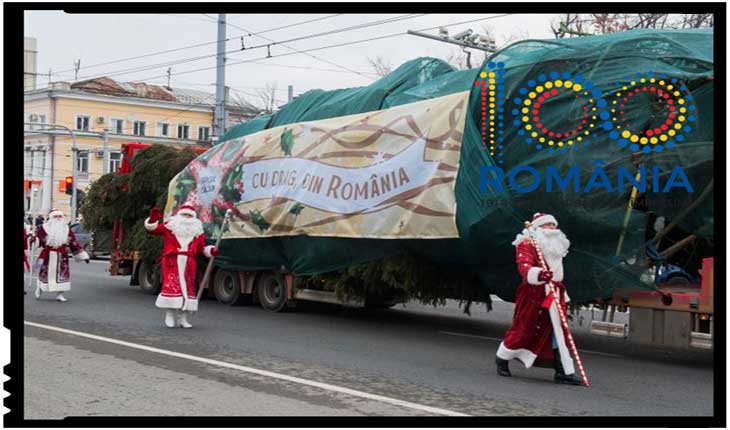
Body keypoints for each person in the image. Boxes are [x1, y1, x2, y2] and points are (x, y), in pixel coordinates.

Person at [495, 212, 583, 386]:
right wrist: (540, 274)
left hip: (554, 293)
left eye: (553, 225)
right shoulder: (527, 243)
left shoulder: (556, 246)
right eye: (547, 225)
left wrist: (552, 280)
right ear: (537, 227)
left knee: (558, 333)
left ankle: (562, 371)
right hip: (534, 294)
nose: (552, 228)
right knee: (525, 329)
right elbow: (524, 266)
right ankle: (502, 358)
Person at [144, 203, 218, 328]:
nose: (187, 218)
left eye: (190, 216)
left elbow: (201, 249)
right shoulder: (170, 226)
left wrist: (211, 251)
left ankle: (183, 317)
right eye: (184, 214)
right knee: (172, 287)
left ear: (194, 218)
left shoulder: (197, 232)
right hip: (172, 261)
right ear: (179, 215)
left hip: (189, 263)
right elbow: (153, 230)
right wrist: (153, 219)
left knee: (189, 289)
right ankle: (170, 314)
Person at [33, 209, 90, 302]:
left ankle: (60, 294)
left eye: (60, 216)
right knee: (44, 274)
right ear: (51, 218)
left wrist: (83, 256)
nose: (58, 219)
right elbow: (39, 240)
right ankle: (39, 288)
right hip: (48, 254)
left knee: (62, 275)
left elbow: (74, 243)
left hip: (62, 256)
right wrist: (33, 240)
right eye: (56, 216)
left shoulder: (66, 229)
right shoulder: (44, 228)